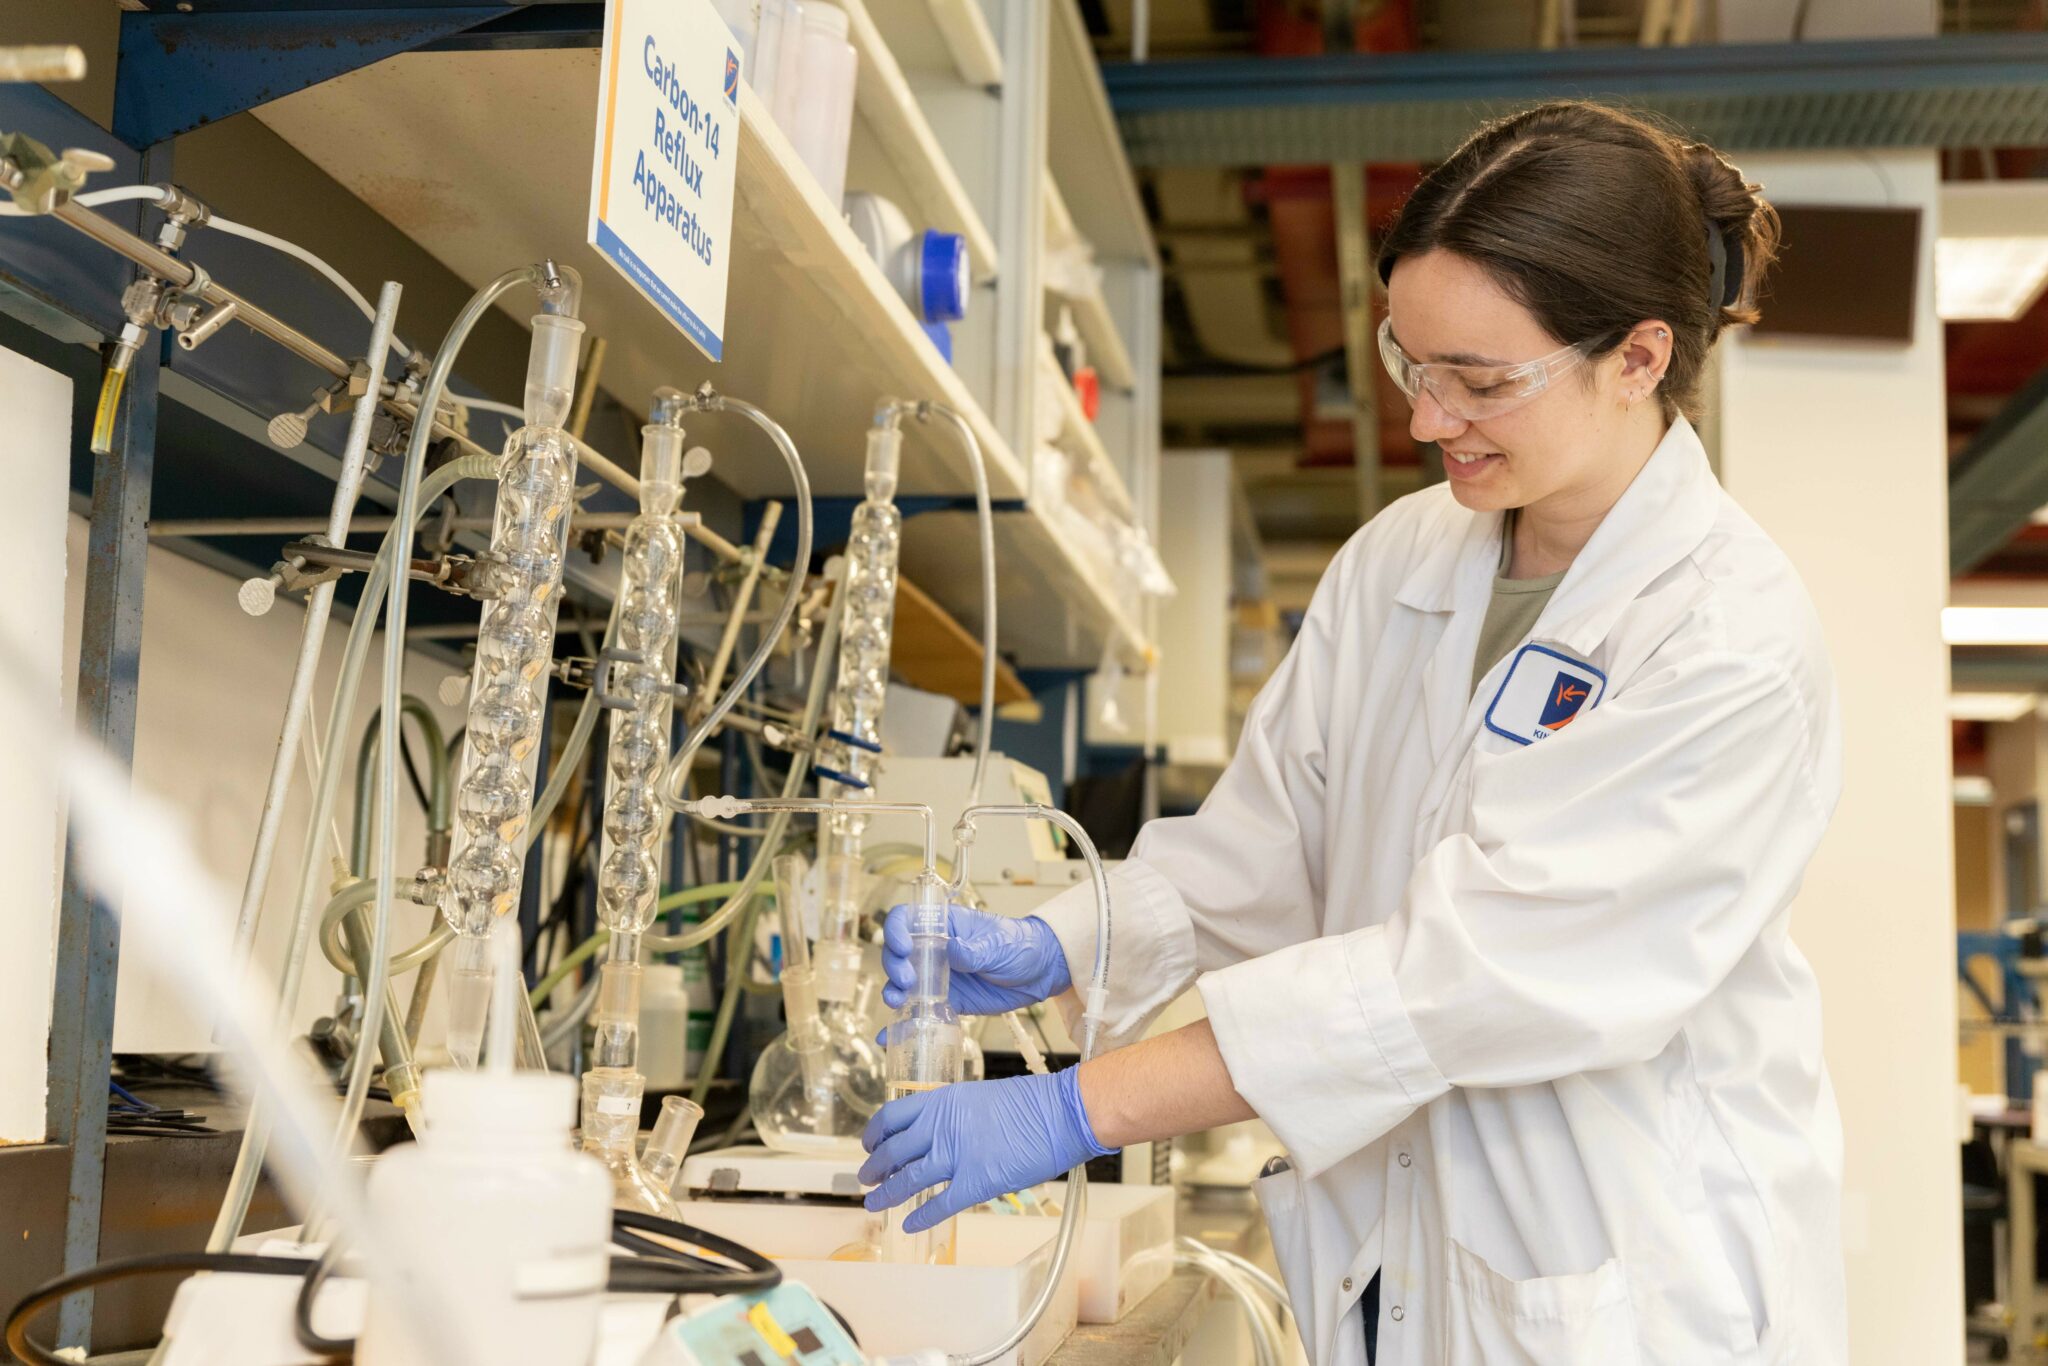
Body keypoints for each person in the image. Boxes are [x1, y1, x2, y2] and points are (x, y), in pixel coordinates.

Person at [859, 100, 1845, 1365]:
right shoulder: (1399, 559)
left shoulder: (1725, 636)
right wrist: (1060, 940)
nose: (1427, 419)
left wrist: (1076, 1108)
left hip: (1622, 1275)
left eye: (1479, 381)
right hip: (1399, 1252)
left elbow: (1462, 977)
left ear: (1637, 359)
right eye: (1408, 362)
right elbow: (1264, 848)